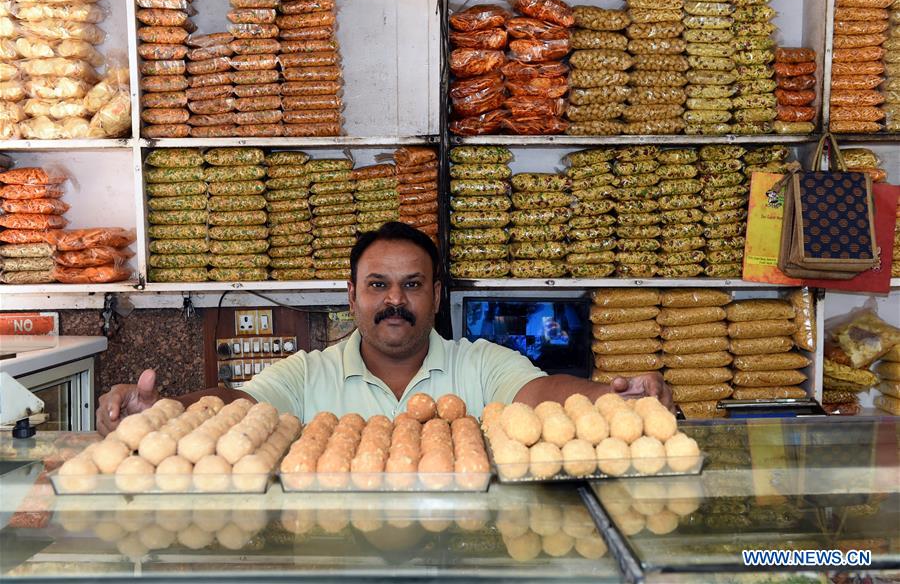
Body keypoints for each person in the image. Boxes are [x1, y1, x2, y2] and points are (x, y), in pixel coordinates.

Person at [97, 222, 672, 435]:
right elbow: (234, 403)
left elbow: (543, 393)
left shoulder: (479, 363)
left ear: (437, 296)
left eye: (413, 285)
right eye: (377, 285)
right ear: (350, 296)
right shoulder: (308, 374)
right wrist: (168, 409)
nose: (395, 301)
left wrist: (614, 398)